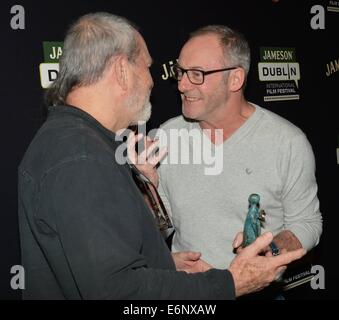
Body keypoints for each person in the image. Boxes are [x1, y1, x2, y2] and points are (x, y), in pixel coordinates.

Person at [18, 13, 305, 300]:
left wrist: (164, 263)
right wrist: (229, 285)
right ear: (121, 70)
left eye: (196, 74)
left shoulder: (83, 145)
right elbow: (119, 292)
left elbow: (113, 252)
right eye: (147, 67)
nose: (166, 83)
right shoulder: (81, 159)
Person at [151, 25, 322, 271]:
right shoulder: (168, 135)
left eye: (197, 74)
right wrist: (147, 191)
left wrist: (270, 249)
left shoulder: (287, 142)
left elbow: (306, 222)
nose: (182, 85)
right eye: (181, 72)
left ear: (235, 79)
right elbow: (161, 224)